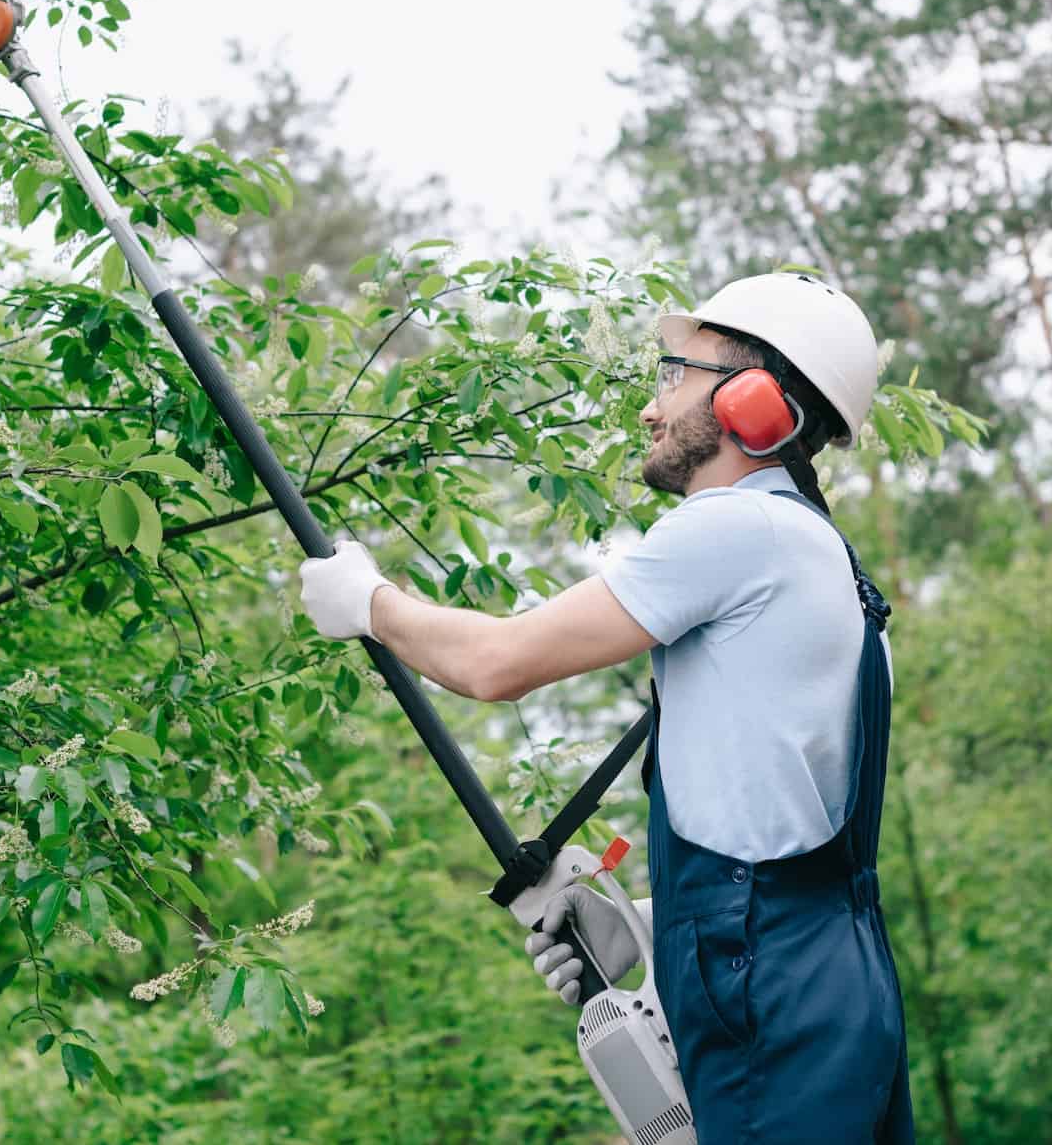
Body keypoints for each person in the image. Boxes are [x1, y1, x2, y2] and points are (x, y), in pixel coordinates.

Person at [297, 272, 916, 1142]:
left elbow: (495, 663)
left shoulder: (737, 529)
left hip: (768, 991)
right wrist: (660, 928)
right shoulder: (829, 567)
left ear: (755, 401)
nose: (650, 409)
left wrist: (368, 601)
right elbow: (784, 830)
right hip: (830, 984)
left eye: (674, 373)